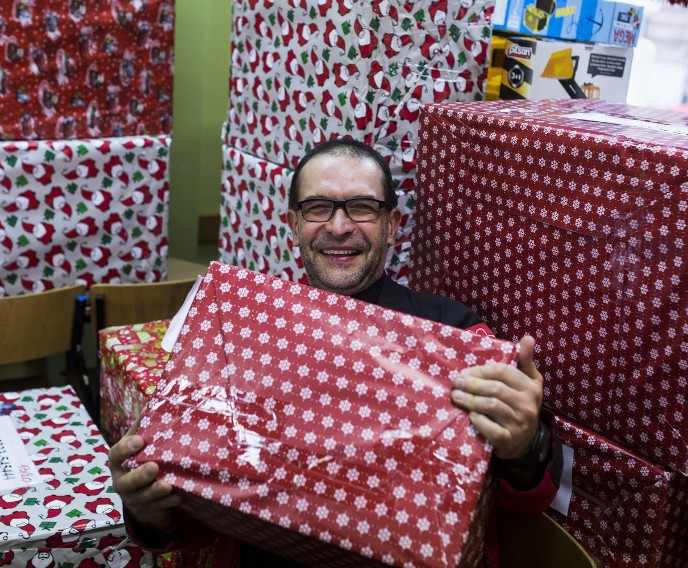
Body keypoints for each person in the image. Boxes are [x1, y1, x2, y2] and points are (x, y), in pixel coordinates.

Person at [109, 139, 562, 568]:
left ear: (392, 226)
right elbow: (194, 508)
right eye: (318, 208)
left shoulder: (456, 336)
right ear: (293, 225)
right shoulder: (246, 330)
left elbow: (520, 496)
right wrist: (149, 510)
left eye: (362, 207)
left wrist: (528, 446)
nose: (339, 226)